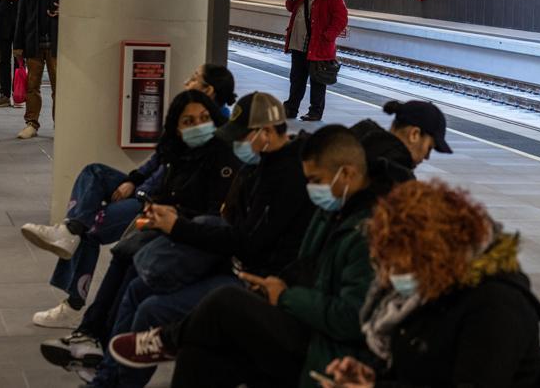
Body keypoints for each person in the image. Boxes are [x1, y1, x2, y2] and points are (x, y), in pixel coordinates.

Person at [63, 92, 313, 388]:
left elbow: (248, 240)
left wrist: (178, 227)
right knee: (137, 286)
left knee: (151, 309)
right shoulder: (259, 165)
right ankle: (105, 378)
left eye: (242, 137)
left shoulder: (288, 178)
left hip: (253, 279)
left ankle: (114, 382)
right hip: (233, 265)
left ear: (267, 132)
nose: (236, 146)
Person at [107, 125, 378, 388]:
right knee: (199, 351)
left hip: (327, 350)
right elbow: (304, 267)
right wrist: (276, 286)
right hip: (297, 313)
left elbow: (352, 318)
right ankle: (171, 341)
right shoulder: (330, 211)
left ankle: (168, 339)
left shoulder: (368, 234)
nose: (310, 189)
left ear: (347, 174)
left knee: (225, 300)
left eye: (316, 181)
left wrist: (286, 296)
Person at [21, 72, 236, 330]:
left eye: (195, 78)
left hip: (156, 202)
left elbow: (172, 179)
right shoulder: (184, 122)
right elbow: (158, 162)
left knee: (90, 231)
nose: (187, 81)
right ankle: (71, 229)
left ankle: (74, 302)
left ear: (209, 90)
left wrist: (142, 192)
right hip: (143, 189)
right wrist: (132, 181)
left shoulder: (215, 137)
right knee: (94, 172)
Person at [320, 180, 540, 388]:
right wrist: (371, 378)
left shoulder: (496, 309)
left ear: (435, 257)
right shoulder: (436, 289)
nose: (389, 277)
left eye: (399, 267)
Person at [283, 0, 348, 122]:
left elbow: (341, 20)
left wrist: (327, 37)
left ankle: (315, 112)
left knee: (317, 81)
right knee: (296, 79)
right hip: (299, 45)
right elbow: (290, 7)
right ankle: (291, 108)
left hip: (319, 48)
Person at [14, 0, 62, 139]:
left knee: (58, 86)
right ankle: (31, 123)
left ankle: (60, 124)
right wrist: (18, 45)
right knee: (32, 86)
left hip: (57, 44)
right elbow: (22, 13)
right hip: (33, 42)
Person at [349, 100, 453, 172]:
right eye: (429, 148)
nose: (427, 157)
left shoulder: (348, 141)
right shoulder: (395, 178)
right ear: (414, 134)